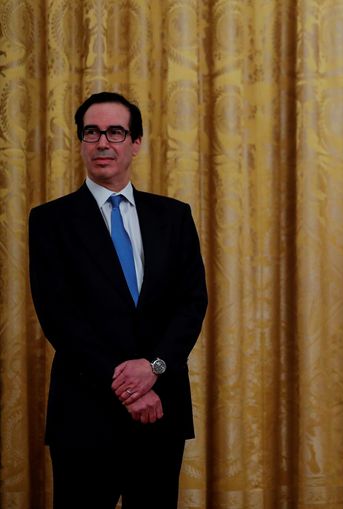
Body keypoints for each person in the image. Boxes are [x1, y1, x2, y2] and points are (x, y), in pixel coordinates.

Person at [28, 92, 208, 508]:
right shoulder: (50, 220)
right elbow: (59, 316)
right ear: (80, 142)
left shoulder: (174, 216)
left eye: (115, 132)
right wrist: (130, 388)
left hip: (161, 410)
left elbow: (191, 303)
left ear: (136, 143)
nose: (103, 142)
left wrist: (154, 368)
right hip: (84, 413)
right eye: (91, 132)